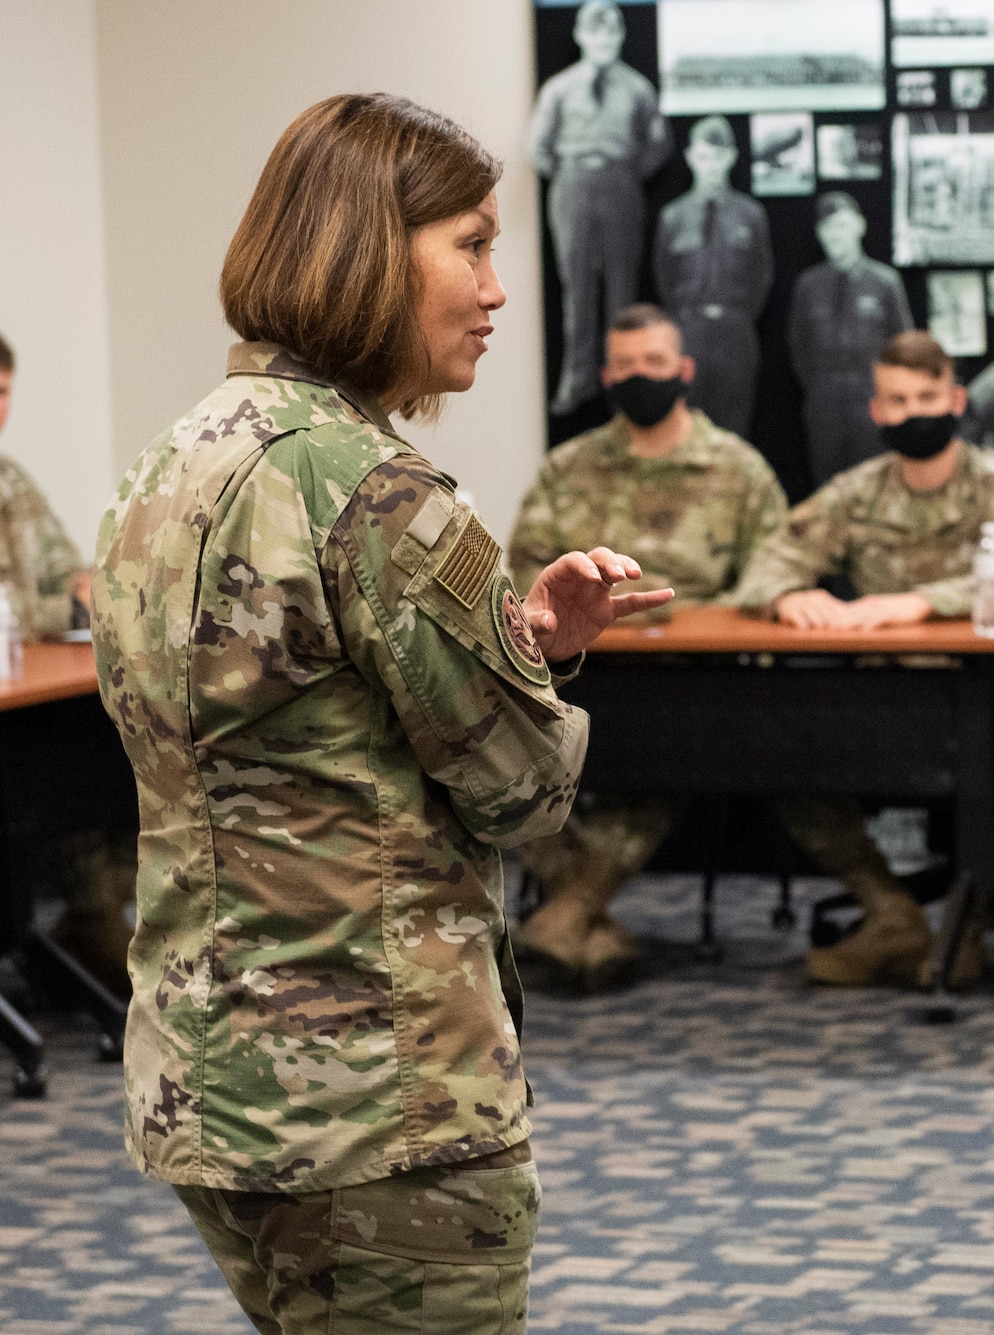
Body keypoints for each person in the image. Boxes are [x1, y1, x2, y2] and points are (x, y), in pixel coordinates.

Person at [92, 95, 673, 1334]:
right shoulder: (378, 490)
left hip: (209, 1076)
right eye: (469, 243)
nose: (496, 288)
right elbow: (523, 791)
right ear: (368, 249)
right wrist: (537, 686)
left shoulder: (171, 461)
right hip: (380, 1098)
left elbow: (296, 722)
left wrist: (513, 639)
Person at [731, 331, 994, 988]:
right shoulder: (856, 492)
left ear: (957, 399)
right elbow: (766, 565)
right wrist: (791, 595)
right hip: (893, 692)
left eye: (927, 396)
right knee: (787, 740)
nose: (914, 412)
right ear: (877, 411)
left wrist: (920, 603)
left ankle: (965, 925)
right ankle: (890, 913)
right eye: (898, 400)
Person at [507, 304, 787, 992]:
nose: (640, 377)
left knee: (669, 740)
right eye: (626, 367)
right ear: (606, 377)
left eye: (654, 364)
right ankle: (589, 924)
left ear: (685, 371)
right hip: (574, 675)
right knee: (482, 742)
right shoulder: (569, 468)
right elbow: (523, 578)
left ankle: (567, 913)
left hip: (694, 682)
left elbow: (773, 578)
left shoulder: (739, 470)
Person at [0, 333, 133, 991]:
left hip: (34, 686)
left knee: (111, 737)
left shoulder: (10, 477)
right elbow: (17, 604)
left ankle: (94, 920)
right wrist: (53, 604)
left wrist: (80, 587)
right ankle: (89, 927)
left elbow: (64, 573)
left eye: (3, 393)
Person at [530, 0, 674, 416]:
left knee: (621, 288)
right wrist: (574, 171)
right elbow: (537, 147)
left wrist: (625, 173)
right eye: (595, 32)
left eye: (611, 33)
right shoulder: (559, 88)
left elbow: (658, 143)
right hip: (573, 185)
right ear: (580, 35)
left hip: (621, 186)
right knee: (575, 287)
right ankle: (577, 381)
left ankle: (621, 381)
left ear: (621, 36)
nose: (603, 40)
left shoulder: (637, 88)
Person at [652, 115, 774, 437]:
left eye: (718, 157)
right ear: (691, 157)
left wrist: (736, 316)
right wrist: (687, 319)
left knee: (735, 429)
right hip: (689, 329)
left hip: (736, 332)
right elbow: (663, 276)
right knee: (686, 428)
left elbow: (762, 276)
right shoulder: (673, 216)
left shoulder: (751, 214)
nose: (711, 166)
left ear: (731, 158)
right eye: (704, 157)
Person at [789, 192, 914, 484]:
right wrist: (820, 385)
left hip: (870, 397)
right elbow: (798, 345)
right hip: (825, 399)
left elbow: (903, 346)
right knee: (828, 484)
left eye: (843, 225)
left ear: (860, 226)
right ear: (819, 234)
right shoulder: (808, 285)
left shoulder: (884, 282)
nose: (836, 234)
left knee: (874, 482)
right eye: (828, 227)